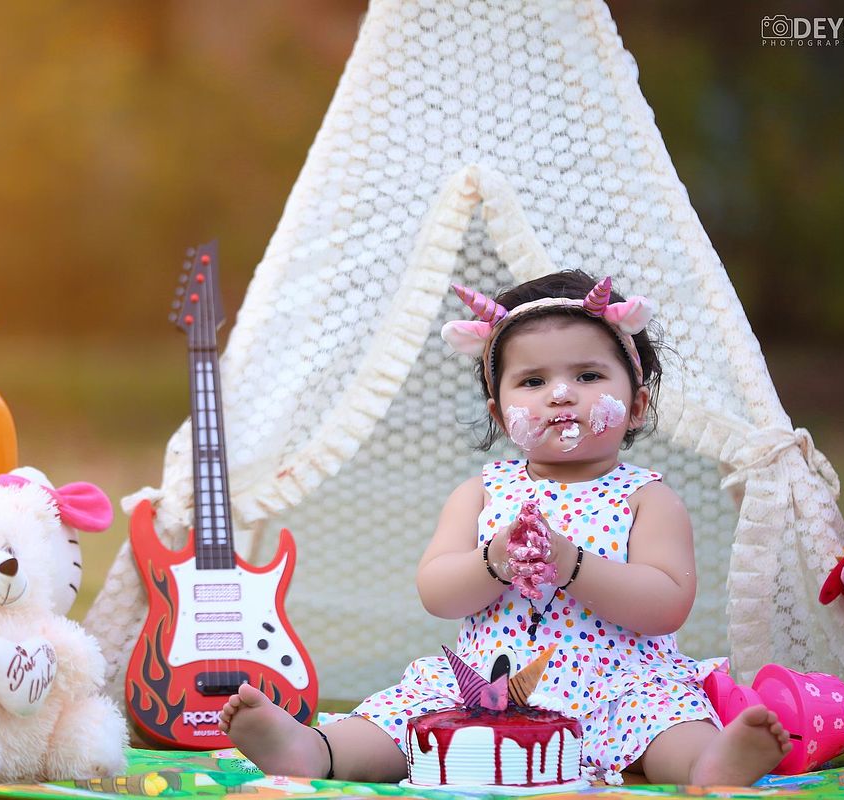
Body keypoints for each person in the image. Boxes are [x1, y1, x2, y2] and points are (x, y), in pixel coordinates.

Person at [219, 270, 792, 786]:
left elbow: (667, 603)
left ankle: (711, 763)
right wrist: (491, 562)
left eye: (588, 375)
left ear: (637, 405)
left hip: (617, 687)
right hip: (484, 687)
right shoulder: (482, 494)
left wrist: (574, 566)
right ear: (499, 413)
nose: (561, 394)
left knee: (668, 726)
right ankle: (314, 750)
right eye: (533, 381)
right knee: (402, 719)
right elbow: (437, 591)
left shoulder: (648, 498)